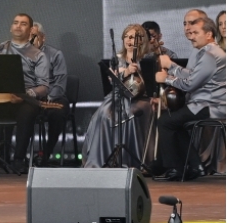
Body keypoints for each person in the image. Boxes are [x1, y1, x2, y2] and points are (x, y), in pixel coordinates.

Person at [0, 13, 50, 174]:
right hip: (2, 99)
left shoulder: (38, 55)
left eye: (23, 24)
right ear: (11, 27)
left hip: (24, 101)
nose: (18, 26)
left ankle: (18, 160)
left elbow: (44, 86)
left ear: (31, 30)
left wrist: (26, 93)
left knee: (27, 113)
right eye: (15, 22)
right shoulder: (1, 47)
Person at [153, 17, 225, 180]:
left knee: (165, 122)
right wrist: (171, 66)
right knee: (174, 122)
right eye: (190, 33)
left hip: (211, 106)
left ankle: (176, 168)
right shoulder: (210, 52)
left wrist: (166, 78)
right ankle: (195, 165)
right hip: (209, 104)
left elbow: (189, 84)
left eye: (196, 33)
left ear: (208, 34)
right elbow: (192, 75)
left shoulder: (210, 55)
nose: (191, 37)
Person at [81, 24, 152, 168]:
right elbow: (111, 79)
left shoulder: (146, 59)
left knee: (129, 115)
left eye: (133, 37)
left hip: (141, 99)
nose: (129, 40)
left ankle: (129, 159)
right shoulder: (118, 58)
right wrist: (126, 71)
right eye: (127, 37)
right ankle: (104, 159)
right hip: (118, 96)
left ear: (141, 40)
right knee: (104, 115)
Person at [29, 22, 70, 166]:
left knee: (58, 113)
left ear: (43, 37)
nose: (30, 40)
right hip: (30, 99)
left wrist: (47, 99)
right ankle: (13, 158)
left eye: (34, 36)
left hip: (53, 97)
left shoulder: (55, 55)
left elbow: (60, 84)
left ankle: (45, 154)